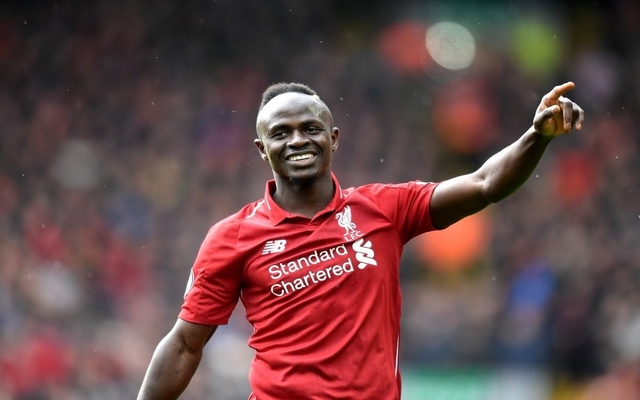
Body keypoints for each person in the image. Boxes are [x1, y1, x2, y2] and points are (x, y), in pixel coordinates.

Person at [137, 81, 584, 400]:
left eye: (310, 128)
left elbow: (486, 183)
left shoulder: (384, 209)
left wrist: (536, 136)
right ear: (261, 148)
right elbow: (184, 344)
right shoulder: (230, 238)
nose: (297, 140)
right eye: (280, 132)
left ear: (333, 138)